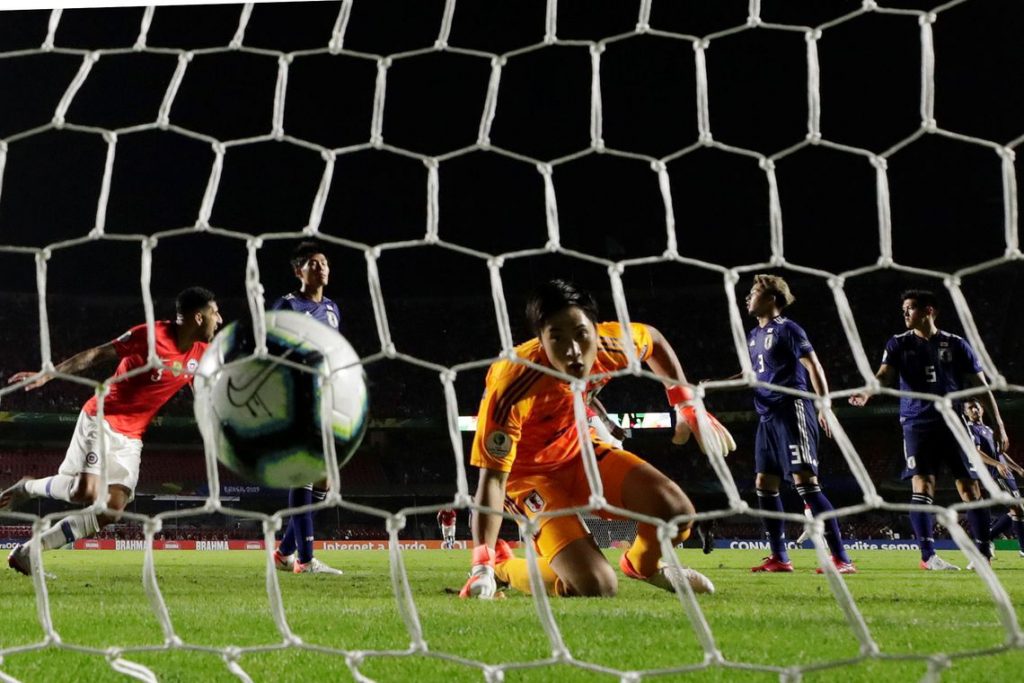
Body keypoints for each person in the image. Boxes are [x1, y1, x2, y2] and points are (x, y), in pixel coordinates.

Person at [460, 279, 735, 599]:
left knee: (676, 513)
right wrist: (481, 564)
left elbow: (654, 340)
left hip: (580, 452)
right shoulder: (512, 383)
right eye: (557, 338)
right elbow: (492, 480)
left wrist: (684, 403)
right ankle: (503, 566)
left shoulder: (612, 344)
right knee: (596, 586)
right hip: (528, 475)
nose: (573, 350)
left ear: (595, 329)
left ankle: (642, 565)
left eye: (581, 334)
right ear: (541, 341)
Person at [1, 287, 222, 574]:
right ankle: (27, 487)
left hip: (131, 437)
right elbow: (97, 354)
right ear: (198, 317)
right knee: (85, 491)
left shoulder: (202, 353)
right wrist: (50, 374)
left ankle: (27, 553)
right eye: (215, 313)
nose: (219, 319)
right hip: (102, 417)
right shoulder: (152, 335)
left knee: (111, 510)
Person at [850, 289, 1009, 571]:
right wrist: (866, 393)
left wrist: (998, 423)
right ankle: (928, 556)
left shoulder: (956, 344)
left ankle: (983, 553)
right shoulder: (898, 343)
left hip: (953, 423)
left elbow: (981, 386)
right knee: (922, 486)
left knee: (970, 487)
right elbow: (883, 376)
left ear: (929, 311)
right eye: (903, 309)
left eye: (910, 308)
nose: (905, 313)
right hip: (916, 423)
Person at [743, 275, 855, 574]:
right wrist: (713, 384)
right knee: (764, 483)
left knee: (805, 481)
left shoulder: (789, 329)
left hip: (792, 410)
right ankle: (780, 557)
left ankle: (841, 559)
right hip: (766, 416)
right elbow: (754, 372)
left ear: (771, 298)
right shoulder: (753, 335)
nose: (747, 297)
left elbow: (813, 364)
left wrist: (824, 405)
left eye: (754, 292)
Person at [269, 241, 343, 576]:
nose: (322, 267)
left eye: (324, 262)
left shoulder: (332, 308)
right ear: (298, 270)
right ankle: (305, 560)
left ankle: (284, 553)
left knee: (325, 483)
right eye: (314, 263)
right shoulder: (287, 305)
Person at [963, 398, 1024, 559]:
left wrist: (1018, 468)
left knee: (1017, 510)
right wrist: (996, 464)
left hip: (1005, 472)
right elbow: (975, 452)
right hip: (994, 474)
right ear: (965, 412)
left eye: (976, 407)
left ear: (982, 409)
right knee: (1018, 508)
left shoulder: (988, 429)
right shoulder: (971, 429)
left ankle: (988, 538)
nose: (974, 410)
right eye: (970, 408)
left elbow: (1001, 453)